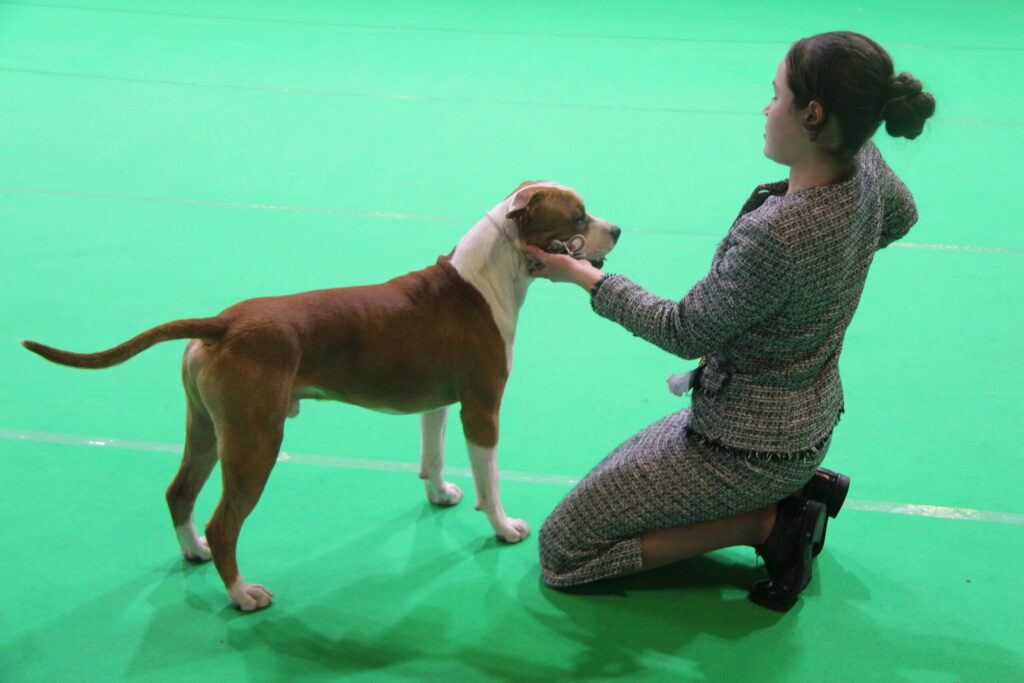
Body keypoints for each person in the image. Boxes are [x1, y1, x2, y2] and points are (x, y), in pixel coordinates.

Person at [526, 31, 936, 611]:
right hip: (806, 419)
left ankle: (772, 522)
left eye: (776, 95)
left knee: (563, 553)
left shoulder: (778, 233)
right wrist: (828, 272)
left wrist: (584, 276)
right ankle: (799, 484)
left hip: (741, 446)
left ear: (812, 115)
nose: (766, 109)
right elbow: (901, 216)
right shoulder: (862, 157)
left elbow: (683, 331)